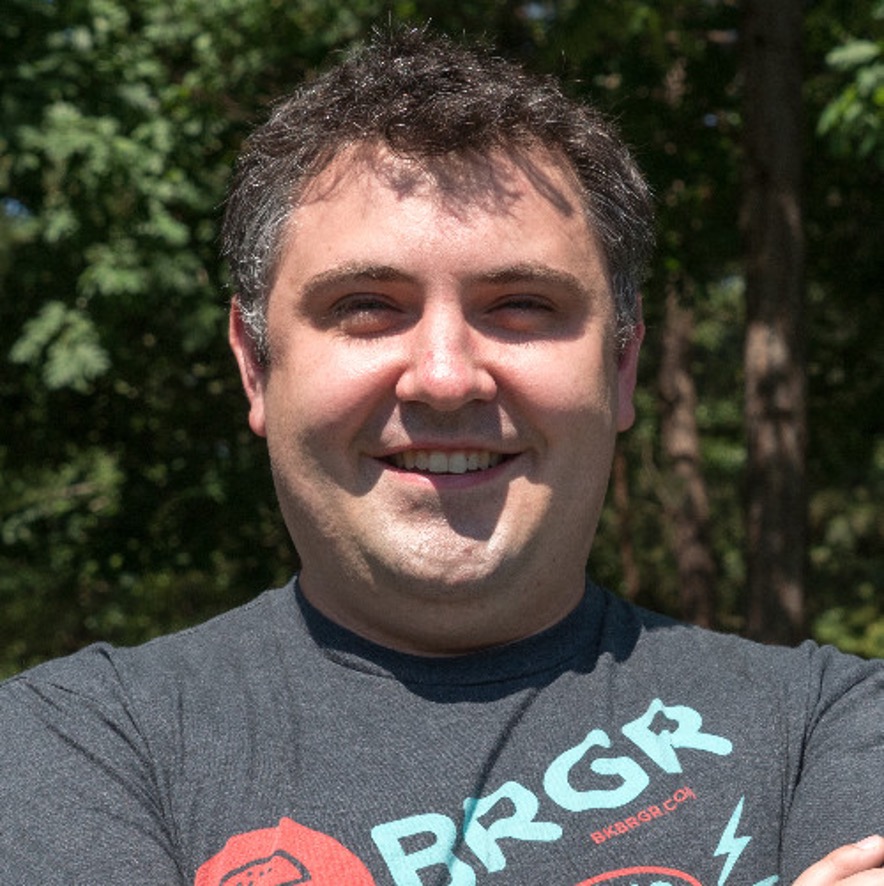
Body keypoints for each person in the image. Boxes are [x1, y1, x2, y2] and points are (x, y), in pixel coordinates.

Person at [1, 26, 882, 886]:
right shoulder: (79, 747)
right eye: (366, 306)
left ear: (621, 366)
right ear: (256, 366)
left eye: (522, 305)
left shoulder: (830, 726)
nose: (446, 377)